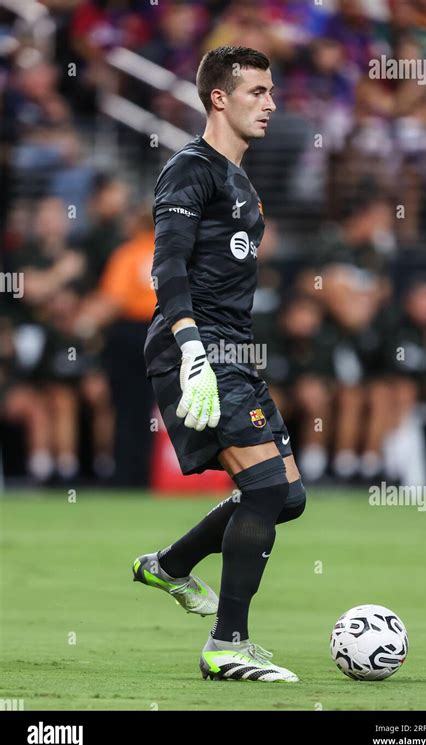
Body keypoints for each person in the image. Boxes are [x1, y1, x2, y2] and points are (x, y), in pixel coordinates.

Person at [133, 46, 306, 683]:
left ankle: (172, 566)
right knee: (262, 489)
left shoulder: (243, 185)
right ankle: (226, 644)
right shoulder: (190, 169)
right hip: (197, 349)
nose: (271, 103)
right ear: (219, 99)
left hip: (234, 349)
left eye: (271, 91)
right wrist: (192, 348)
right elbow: (167, 266)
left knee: (286, 496)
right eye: (258, 92)